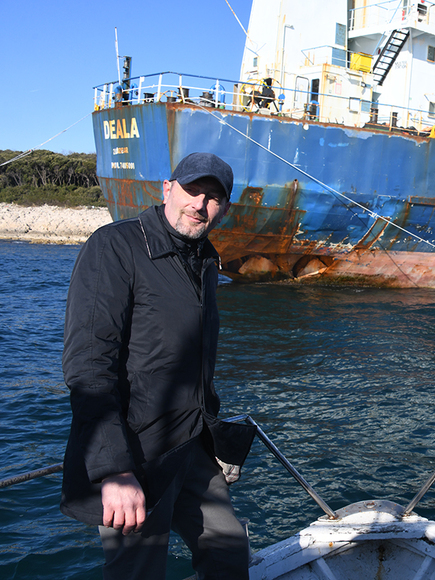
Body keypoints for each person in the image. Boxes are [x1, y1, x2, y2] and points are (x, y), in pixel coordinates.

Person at [60, 152, 254, 579]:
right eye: (192, 191)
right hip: (138, 453)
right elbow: (89, 364)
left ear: (224, 207)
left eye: (214, 197)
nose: (200, 205)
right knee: (138, 571)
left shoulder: (205, 257)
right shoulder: (114, 247)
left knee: (229, 552)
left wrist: (216, 434)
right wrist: (114, 469)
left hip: (193, 444)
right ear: (167, 189)